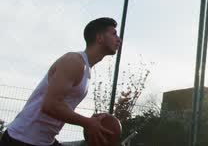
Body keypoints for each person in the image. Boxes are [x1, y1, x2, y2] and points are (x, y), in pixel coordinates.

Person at [1, 17, 121, 146]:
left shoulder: (86, 70)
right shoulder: (74, 61)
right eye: (113, 34)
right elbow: (50, 105)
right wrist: (87, 122)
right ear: (99, 38)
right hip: (21, 139)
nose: (118, 39)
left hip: (44, 141)